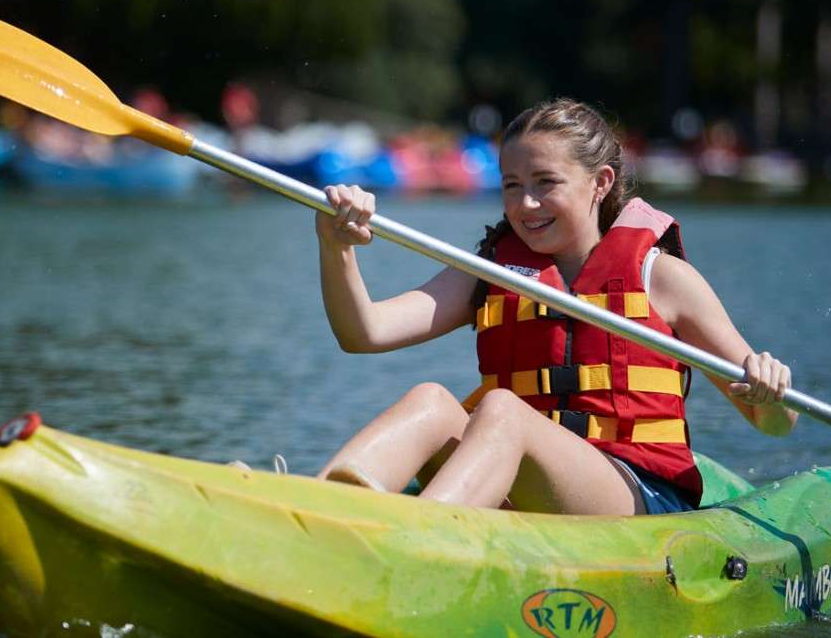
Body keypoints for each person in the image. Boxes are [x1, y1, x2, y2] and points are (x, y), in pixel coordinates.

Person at [312, 98, 796, 516]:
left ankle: (412, 541)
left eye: (545, 182)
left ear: (601, 183)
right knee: (430, 402)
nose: (525, 204)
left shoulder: (663, 278)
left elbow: (775, 424)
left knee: (501, 410)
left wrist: (770, 394)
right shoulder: (492, 270)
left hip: (637, 491)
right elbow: (365, 333)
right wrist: (336, 246)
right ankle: (312, 510)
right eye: (511, 185)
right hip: (528, 479)